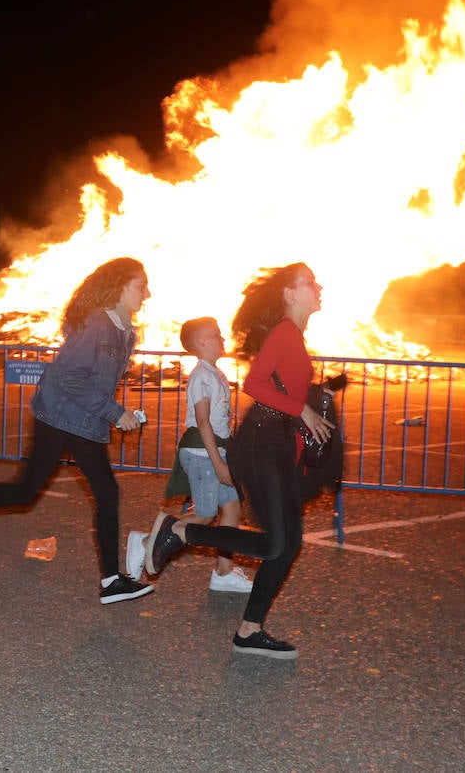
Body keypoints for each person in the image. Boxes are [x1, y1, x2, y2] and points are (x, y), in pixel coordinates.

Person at [0, 257, 155, 605]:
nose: (147, 293)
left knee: (106, 493)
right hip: (58, 414)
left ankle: (110, 580)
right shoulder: (98, 323)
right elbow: (68, 377)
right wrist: (115, 411)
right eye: (141, 285)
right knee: (24, 491)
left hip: (84, 421)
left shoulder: (125, 331)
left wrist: (119, 414)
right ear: (119, 286)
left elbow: (97, 381)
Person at [144, 263, 334, 658]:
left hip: (278, 447)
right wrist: (302, 408)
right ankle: (180, 533)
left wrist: (312, 407)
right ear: (289, 294)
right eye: (309, 282)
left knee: (286, 544)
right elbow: (255, 383)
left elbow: (287, 391)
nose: (318, 287)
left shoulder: (294, 337)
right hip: (262, 446)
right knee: (277, 543)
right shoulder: (284, 332)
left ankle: (250, 630)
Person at [125, 317, 253, 593]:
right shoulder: (201, 377)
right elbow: (203, 421)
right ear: (201, 342)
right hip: (203, 454)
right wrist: (219, 463)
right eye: (216, 335)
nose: (222, 339)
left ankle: (223, 572)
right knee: (206, 515)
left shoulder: (214, 373)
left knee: (231, 508)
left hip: (215, 452)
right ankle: (146, 542)